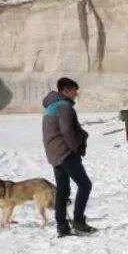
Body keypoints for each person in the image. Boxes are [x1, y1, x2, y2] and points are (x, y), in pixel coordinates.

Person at [42, 77, 97, 237]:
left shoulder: (50, 106)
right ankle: (78, 221)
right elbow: (67, 130)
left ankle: (62, 226)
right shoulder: (64, 107)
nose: (76, 94)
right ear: (65, 91)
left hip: (54, 153)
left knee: (63, 190)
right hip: (65, 152)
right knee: (85, 185)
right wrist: (75, 149)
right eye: (74, 90)